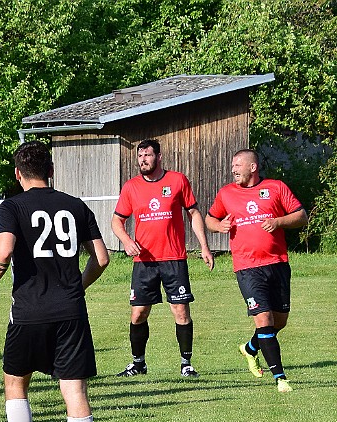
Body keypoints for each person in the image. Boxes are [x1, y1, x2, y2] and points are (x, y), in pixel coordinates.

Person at [0, 141, 109, 422]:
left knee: (16, 382)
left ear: (18, 174)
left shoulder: (13, 206)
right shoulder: (76, 206)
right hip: (70, 311)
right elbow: (102, 258)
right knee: (74, 388)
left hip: (29, 311)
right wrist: (77, 286)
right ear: (51, 172)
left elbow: (3, 251)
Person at [205, 149, 308, 392]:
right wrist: (219, 226)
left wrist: (278, 221)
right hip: (247, 268)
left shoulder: (275, 187)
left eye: (238, 165)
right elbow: (210, 219)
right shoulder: (226, 193)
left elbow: (301, 216)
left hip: (278, 264)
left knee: (278, 322)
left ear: (253, 167)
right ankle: (280, 378)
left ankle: (250, 348)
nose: (233, 170)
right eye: (233, 165)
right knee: (264, 319)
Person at [111, 139, 214, 378]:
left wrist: (204, 247)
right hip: (144, 262)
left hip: (173, 259)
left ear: (159, 157)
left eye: (147, 155)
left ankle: (186, 363)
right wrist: (127, 241)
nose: (143, 160)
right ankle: (138, 363)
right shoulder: (131, 187)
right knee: (138, 314)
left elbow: (193, 213)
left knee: (181, 312)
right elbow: (117, 221)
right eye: (139, 156)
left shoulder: (177, 181)